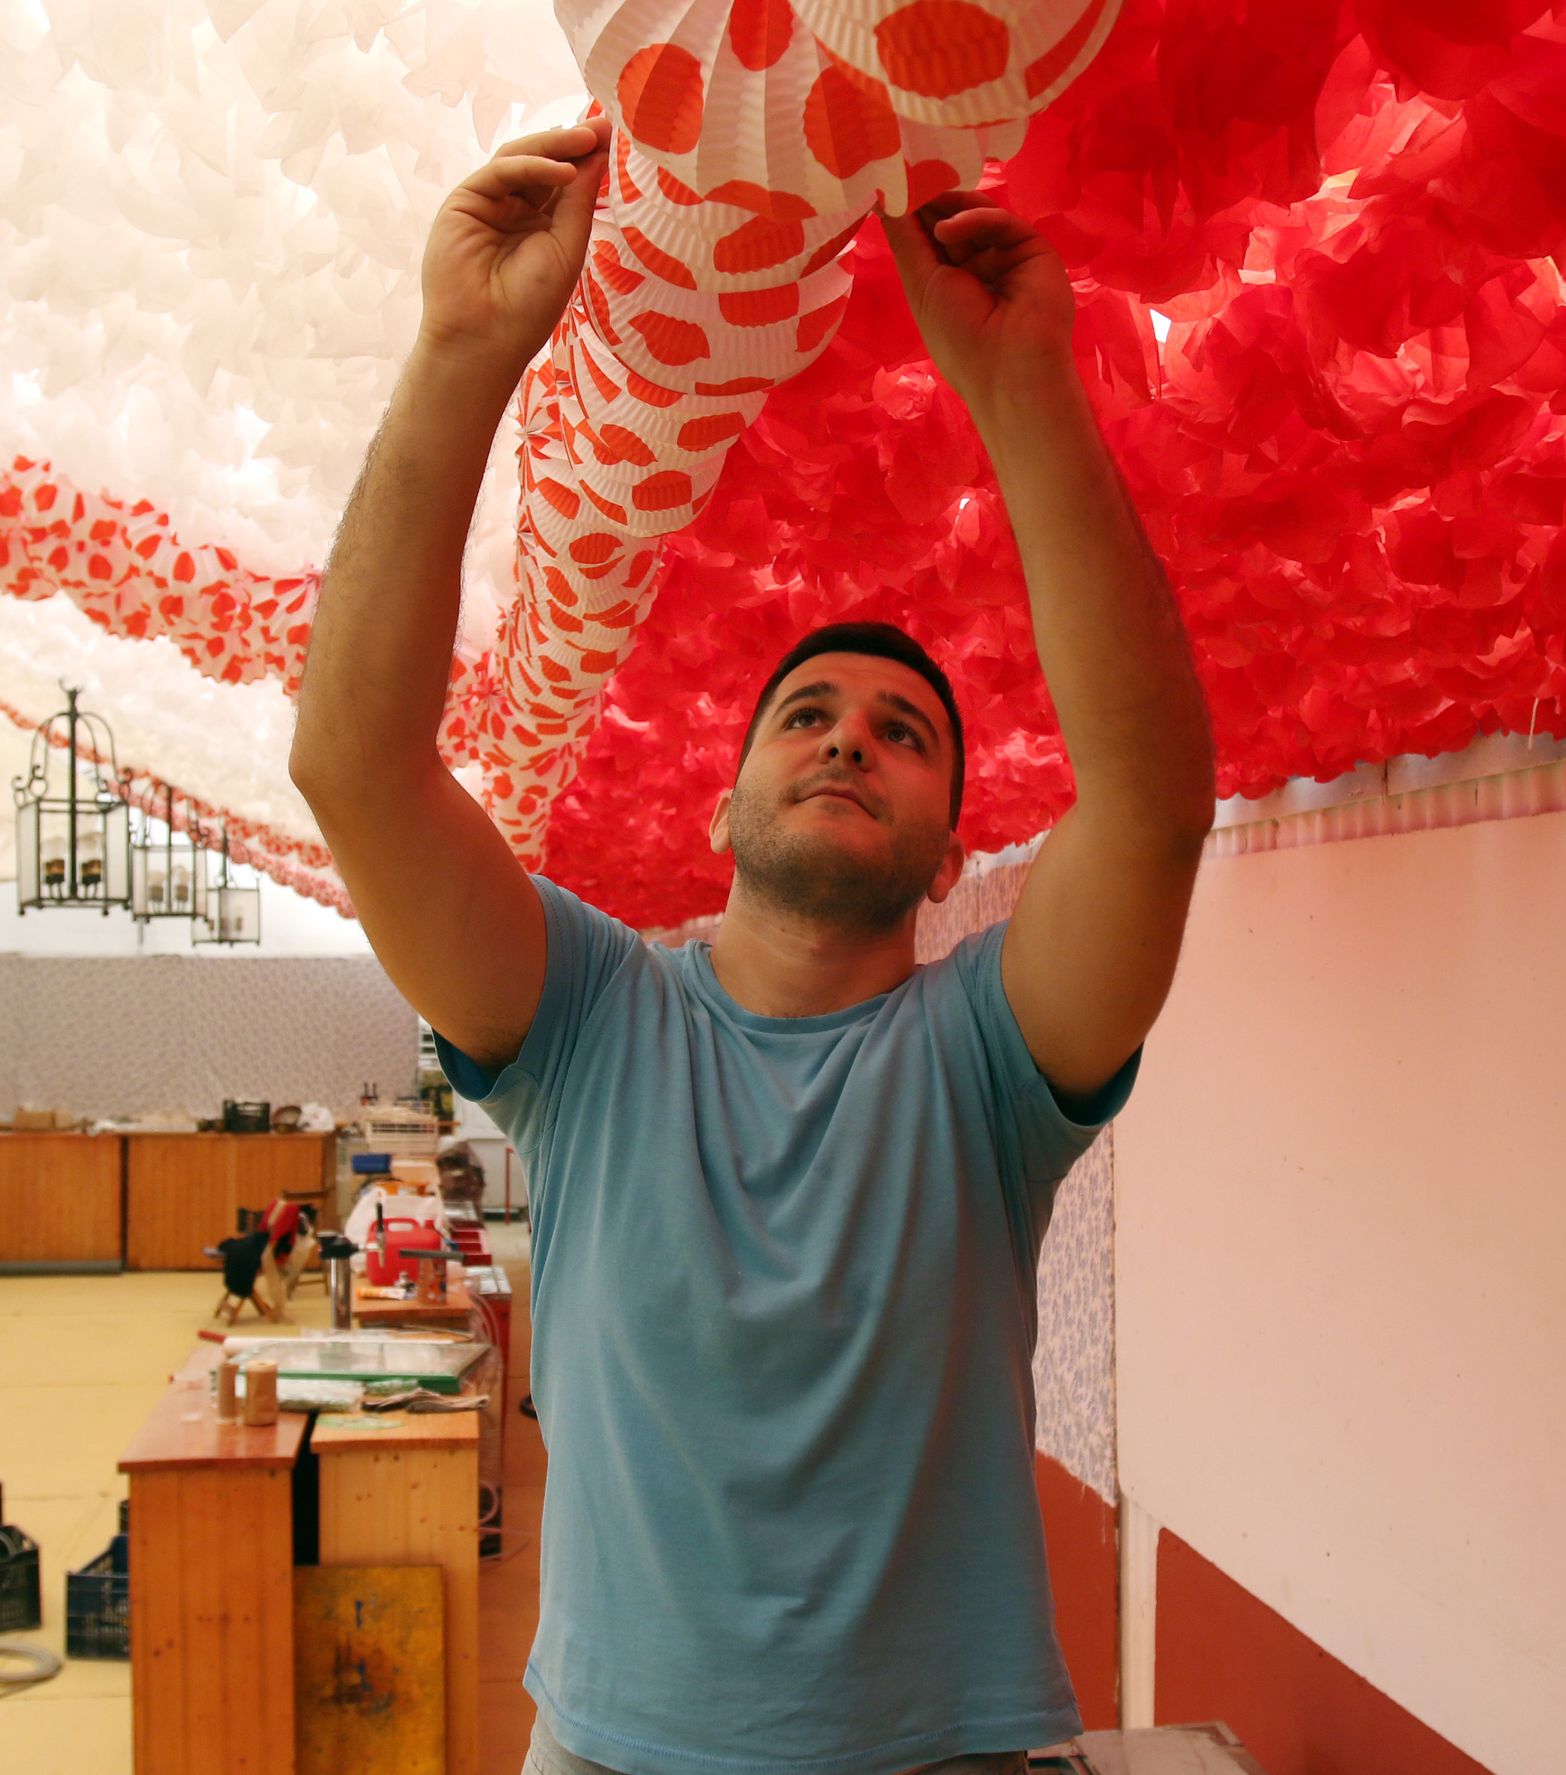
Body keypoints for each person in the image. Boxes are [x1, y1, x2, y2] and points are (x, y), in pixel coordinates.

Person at [290, 118, 1214, 1775]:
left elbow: (1149, 807)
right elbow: (356, 770)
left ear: (948, 851)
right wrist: (460, 355)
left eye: (901, 734)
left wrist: (1023, 391)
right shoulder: (581, 1021)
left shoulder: (990, 1063)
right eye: (806, 716)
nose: (849, 740)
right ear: (721, 812)